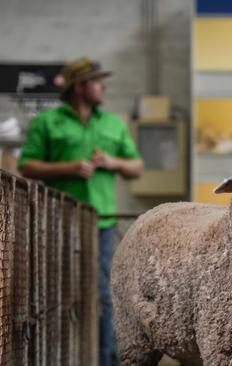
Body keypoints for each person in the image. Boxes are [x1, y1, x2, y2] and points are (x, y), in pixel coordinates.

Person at [18, 57, 143, 366]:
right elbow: (26, 166)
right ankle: (54, 358)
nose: (104, 86)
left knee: (104, 294)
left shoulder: (113, 123)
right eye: (97, 80)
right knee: (52, 294)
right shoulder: (48, 122)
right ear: (79, 86)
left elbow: (136, 167)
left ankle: (106, 360)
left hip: (101, 224)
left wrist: (112, 163)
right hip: (56, 223)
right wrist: (69, 168)